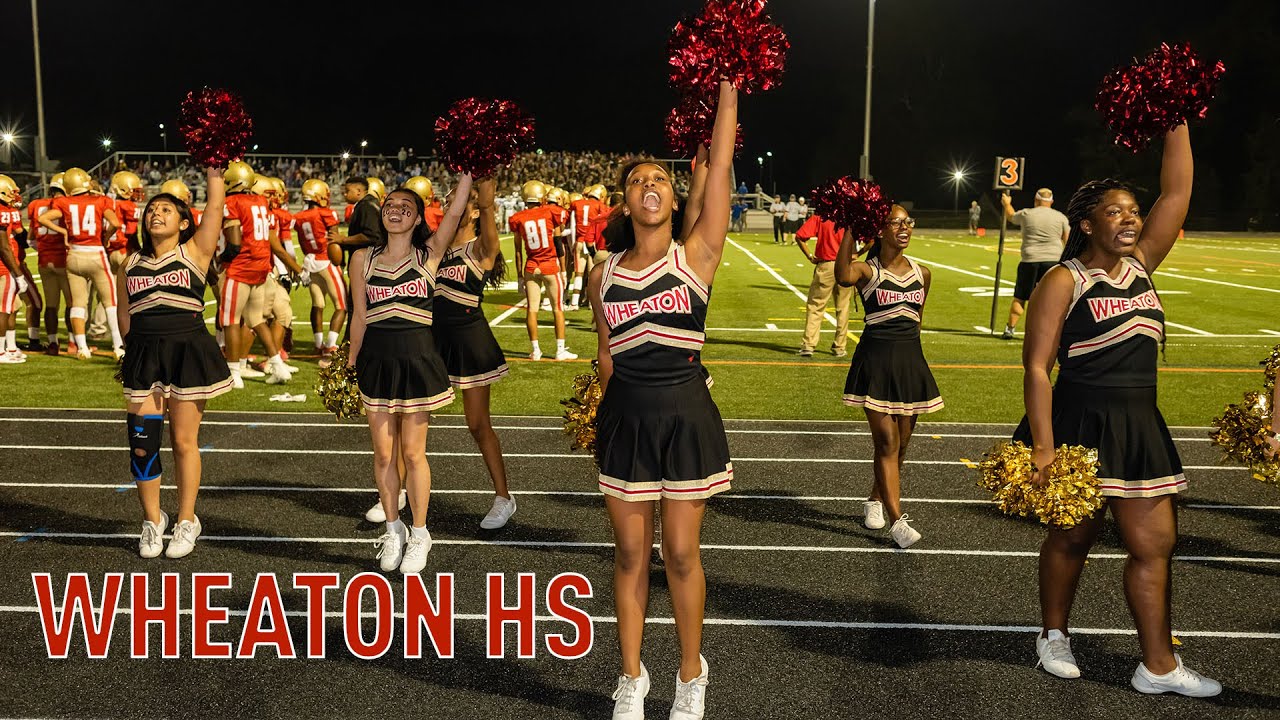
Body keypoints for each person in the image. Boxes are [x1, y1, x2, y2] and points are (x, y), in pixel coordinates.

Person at [1014, 125, 1220, 696]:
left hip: (1139, 425)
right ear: (1086, 224)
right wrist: (1043, 448)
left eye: (1133, 211)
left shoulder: (1143, 264)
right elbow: (1037, 368)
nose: (1130, 219)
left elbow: (1176, 194)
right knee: (1071, 539)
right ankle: (1053, 634)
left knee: (1155, 546)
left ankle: (1158, 665)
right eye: (1115, 212)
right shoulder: (1064, 280)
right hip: (1080, 425)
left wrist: (1177, 115)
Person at [588, 80, 737, 720]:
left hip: (684, 416)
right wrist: (599, 410)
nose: (648, 184)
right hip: (626, 417)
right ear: (625, 202)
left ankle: (690, 673)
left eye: (659, 179)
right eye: (636, 180)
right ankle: (631, 676)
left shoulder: (696, 255)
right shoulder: (602, 274)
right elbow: (606, 353)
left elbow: (721, 164)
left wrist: (729, 85)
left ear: (676, 198)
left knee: (679, 552)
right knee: (629, 555)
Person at [347, 175, 472, 574]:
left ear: (418, 218)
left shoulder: (428, 254)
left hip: (417, 358)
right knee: (384, 453)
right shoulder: (362, 259)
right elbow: (360, 316)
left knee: (414, 453)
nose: (396, 210)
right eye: (390, 205)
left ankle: (420, 533)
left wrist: (468, 169)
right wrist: (350, 362)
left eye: (406, 207)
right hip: (376, 360)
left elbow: (455, 210)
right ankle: (393, 528)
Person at [115, 166, 232, 559]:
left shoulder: (195, 251)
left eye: (166, 210)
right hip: (144, 355)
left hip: (187, 351)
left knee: (183, 441)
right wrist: (132, 351)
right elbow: (125, 314)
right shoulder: (130, 263)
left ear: (184, 223)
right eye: (152, 209)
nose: (156, 213)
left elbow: (214, 207)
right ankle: (153, 521)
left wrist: (214, 169)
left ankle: (186, 519)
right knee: (142, 443)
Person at [835, 205, 942, 548]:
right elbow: (842, 275)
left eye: (908, 221)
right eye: (895, 222)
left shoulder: (923, 273)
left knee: (902, 444)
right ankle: (898, 521)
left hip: (910, 363)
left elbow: (917, 321)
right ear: (880, 230)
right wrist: (851, 228)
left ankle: (875, 499)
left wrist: (913, 363)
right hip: (876, 363)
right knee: (886, 441)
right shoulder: (867, 270)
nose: (904, 227)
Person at [433, 177, 516, 529]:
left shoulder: (481, 247)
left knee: (478, 425)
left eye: (458, 199)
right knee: (410, 419)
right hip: (433, 342)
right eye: (447, 199)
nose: (450, 204)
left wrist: (484, 186)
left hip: (470, 342)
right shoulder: (435, 248)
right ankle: (397, 491)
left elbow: (486, 206)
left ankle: (503, 498)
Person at [39, 167, 125, 360]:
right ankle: (118, 347)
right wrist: (105, 238)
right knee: (110, 302)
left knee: (78, 303)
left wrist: (64, 232)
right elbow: (115, 224)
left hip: (74, 255)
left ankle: (82, 348)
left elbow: (42, 218)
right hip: (96, 254)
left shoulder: (63, 202)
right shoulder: (101, 200)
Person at [509, 181, 576, 361]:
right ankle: (560, 351)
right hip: (549, 266)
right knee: (558, 309)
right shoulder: (551, 211)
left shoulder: (518, 218)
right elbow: (559, 240)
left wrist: (520, 276)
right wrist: (563, 270)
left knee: (532, 309)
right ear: (542, 197)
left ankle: (535, 351)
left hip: (531, 267)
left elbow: (517, 251)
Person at [999, 188, 1069, 340]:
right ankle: (1054, 332)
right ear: (1052, 201)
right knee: (1053, 299)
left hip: (1030, 260)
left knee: (1020, 297)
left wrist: (1007, 204)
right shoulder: (1060, 217)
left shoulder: (1027, 214)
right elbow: (1068, 240)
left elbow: (1011, 216)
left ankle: (1010, 329)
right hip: (1053, 261)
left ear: (1036, 200)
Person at [294, 179, 345, 357]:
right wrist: (340, 259)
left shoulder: (298, 217)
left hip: (310, 262)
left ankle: (318, 344)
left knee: (318, 304)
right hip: (326, 260)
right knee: (341, 305)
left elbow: (302, 243)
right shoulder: (327, 213)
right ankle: (330, 345)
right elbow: (335, 240)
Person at [794, 213, 852, 358]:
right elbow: (870, 240)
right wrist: (858, 253)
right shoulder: (850, 216)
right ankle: (840, 346)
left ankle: (808, 345)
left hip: (826, 265)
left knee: (816, 306)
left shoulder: (821, 216)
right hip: (845, 266)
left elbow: (800, 236)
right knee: (843, 307)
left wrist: (809, 256)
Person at [28, 174, 71, 355]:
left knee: (51, 304)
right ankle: (73, 342)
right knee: (72, 304)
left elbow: (30, 238)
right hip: (64, 260)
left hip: (44, 260)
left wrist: (44, 249)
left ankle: (53, 343)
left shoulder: (36, 205)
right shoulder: (67, 204)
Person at [0, 175, 30, 364]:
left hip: (7, 265)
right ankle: (1, 352)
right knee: (4, 309)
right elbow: (4, 247)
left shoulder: (8, 210)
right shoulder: (3, 211)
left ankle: (10, 347)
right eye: (11, 192)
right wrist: (18, 274)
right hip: (5, 267)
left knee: (12, 306)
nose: (15, 196)